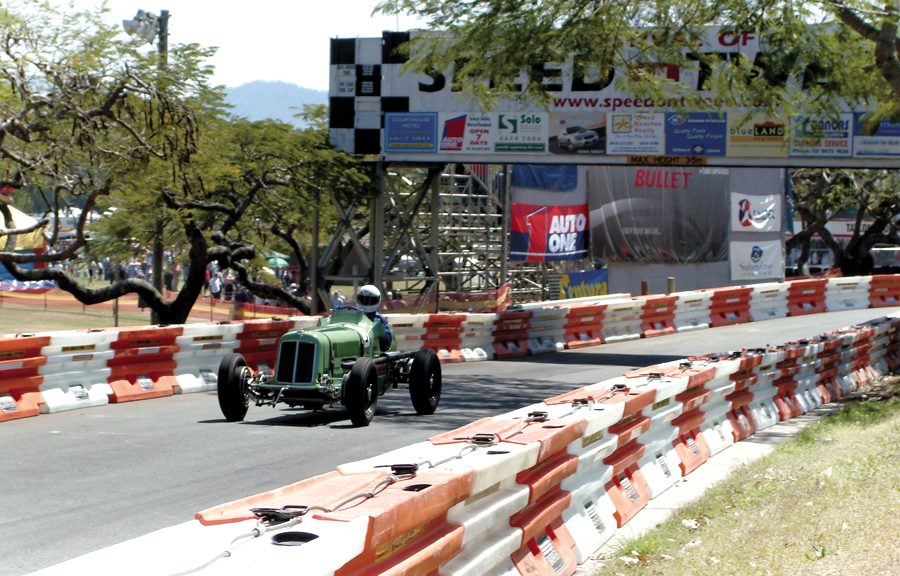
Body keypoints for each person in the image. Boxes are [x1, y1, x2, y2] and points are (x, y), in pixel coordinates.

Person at [354, 284, 392, 352]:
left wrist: (379, 332)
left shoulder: (379, 319)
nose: (366, 303)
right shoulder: (352, 314)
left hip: (371, 353)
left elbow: (386, 345)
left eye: (370, 301)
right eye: (363, 300)